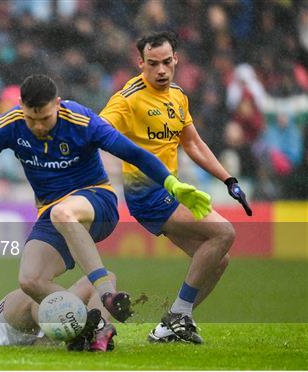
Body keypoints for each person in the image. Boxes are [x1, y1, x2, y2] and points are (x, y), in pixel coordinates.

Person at [0, 74, 212, 324]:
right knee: (31, 280)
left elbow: (135, 154)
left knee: (62, 213)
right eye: (31, 119)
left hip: (97, 202)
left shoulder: (82, 121)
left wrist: (172, 184)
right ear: (21, 107)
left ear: (57, 104)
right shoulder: (8, 125)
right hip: (52, 213)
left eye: (44, 118)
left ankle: (105, 292)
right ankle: (92, 324)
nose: (38, 126)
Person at [99, 31, 252, 344]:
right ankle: (178, 315)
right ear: (140, 62)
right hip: (147, 195)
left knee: (218, 259)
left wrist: (228, 179)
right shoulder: (128, 99)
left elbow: (193, 143)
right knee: (224, 233)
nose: (161, 70)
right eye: (152, 63)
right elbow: (97, 130)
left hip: (171, 191)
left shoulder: (178, 96)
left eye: (167, 62)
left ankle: (173, 323)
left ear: (176, 60)